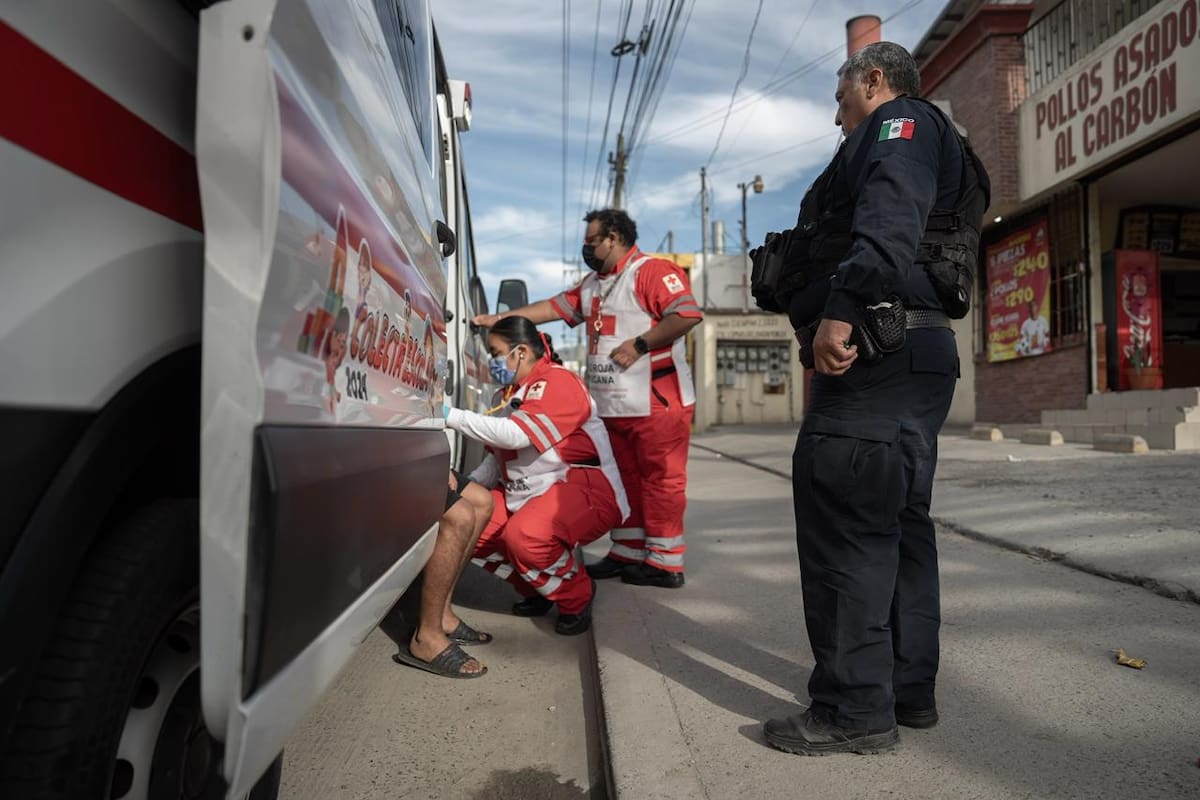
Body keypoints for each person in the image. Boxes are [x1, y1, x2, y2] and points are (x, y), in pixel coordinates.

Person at [760, 42, 990, 755]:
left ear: (874, 80)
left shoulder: (900, 125)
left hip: (872, 354)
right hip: (907, 355)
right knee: (898, 524)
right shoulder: (916, 135)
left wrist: (841, 304)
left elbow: (890, 217)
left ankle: (854, 710)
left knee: (849, 527)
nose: (837, 117)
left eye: (840, 99)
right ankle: (904, 691)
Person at [472, 209, 702, 588]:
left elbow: (687, 315)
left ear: (613, 238)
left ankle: (664, 561)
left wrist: (640, 344)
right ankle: (628, 552)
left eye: (591, 240)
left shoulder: (653, 272)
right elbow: (551, 308)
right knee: (625, 478)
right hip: (614, 405)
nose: (586, 247)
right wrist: (498, 320)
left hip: (658, 400)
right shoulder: (595, 284)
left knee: (662, 480)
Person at [445, 316, 629, 635]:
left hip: (580, 487)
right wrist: (465, 490)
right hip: (528, 492)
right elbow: (496, 460)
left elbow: (516, 436)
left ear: (521, 352)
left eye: (496, 352)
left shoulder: (558, 382)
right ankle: (539, 589)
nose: (492, 361)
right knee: (470, 526)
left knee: (525, 537)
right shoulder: (505, 396)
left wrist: (451, 416)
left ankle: (575, 596)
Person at [392, 471, 495, 678]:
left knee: (482, 502)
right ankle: (427, 637)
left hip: (417, 449)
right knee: (460, 516)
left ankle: (442, 614)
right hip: (392, 452)